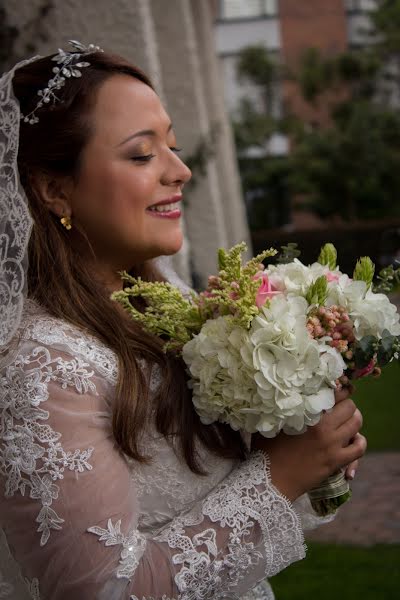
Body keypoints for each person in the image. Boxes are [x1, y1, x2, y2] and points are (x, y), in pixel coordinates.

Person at [0, 42, 366, 600]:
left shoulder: (167, 305)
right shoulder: (43, 371)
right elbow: (106, 591)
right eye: (143, 155)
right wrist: (280, 476)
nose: (181, 170)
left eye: (170, 146)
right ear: (54, 189)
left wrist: (306, 434)